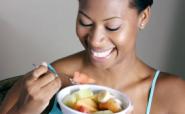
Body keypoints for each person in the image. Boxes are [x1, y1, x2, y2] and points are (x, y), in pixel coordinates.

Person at [0, 0, 185, 114]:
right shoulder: (51, 78)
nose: (95, 41)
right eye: (85, 22)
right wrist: (24, 111)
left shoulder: (173, 95)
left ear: (143, 17)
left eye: (112, 26)